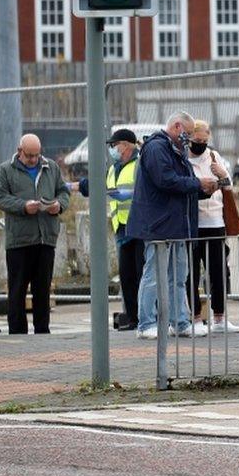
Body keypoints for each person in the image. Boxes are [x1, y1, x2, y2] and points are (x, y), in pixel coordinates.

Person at [128, 112, 218, 340]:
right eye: (186, 134)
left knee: (179, 276)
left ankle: (179, 322)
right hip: (159, 225)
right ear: (177, 127)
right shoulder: (157, 148)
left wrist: (201, 189)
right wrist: (198, 183)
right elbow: (166, 181)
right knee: (154, 275)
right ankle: (146, 323)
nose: (188, 139)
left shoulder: (176, 150)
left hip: (177, 225)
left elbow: (180, 187)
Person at [0, 134, 70, 335]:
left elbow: (63, 191)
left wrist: (58, 205)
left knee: (42, 289)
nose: (33, 159)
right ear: (20, 151)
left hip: (46, 238)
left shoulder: (51, 167)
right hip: (19, 240)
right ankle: (17, 331)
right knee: (17, 290)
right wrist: (23, 206)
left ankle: (42, 330)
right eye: (29, 156)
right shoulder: (5, 170)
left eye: (37, 155)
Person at [72, 128, 143, 331]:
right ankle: (132, 318)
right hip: (122, 228)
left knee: (142, 275)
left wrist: (127, 193)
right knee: (127, 275)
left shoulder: (140, 164)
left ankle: (146, 317)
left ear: (126, 146)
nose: (112, 149)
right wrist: (74, 186)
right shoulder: (113, 168)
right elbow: (97, 183)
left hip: (139, 227)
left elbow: (144, 190)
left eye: (115, 145)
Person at [187, 120, 238, 336]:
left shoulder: (214, 157)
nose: (201, 145)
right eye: (197, 141)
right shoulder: (182, 158)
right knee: (191, 272)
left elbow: (229, 186)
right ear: (189, 138)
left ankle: (220, 317)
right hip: (192, 223)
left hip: (216, 222)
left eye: (205, 141)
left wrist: (221, 175)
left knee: (219, 272)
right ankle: (196, 317)